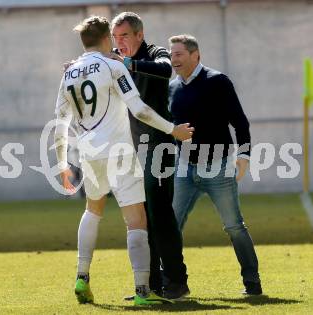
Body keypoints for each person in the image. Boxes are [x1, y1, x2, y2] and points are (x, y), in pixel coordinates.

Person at [54, 16, 193, 306]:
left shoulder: (70, 73)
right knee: (137, 220)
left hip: (90, 154)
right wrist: (174, 129)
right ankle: (144, 291)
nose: (118, 42)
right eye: (114, 36)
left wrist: (62, 163)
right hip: (121, 152)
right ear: (106, 39)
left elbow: (60, 123)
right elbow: (140, 110)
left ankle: (82, 276)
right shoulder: (113, 66)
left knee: (93, 211)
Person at [168, 34, 263, 295]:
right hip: (184, 169)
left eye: (178, 54)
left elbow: (240, 123)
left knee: (234, 226)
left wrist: (243, 156)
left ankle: (252, 282)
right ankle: (174, 283)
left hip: (219, 167)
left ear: (195, 55)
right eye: (171, 54)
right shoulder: (172, 88)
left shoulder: (218, 81)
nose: (173, 58)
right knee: (170, 227)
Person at [109, 12, 190, 299]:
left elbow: (165, 70)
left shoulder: (156, 53)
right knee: (142, 217)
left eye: (125, 36)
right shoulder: (114, 59)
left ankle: (177, 282)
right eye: (115, 37)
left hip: (160, 146)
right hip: (133, 148)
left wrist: (128, 63)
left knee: (160, 213)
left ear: (139, 35)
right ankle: (152, 284)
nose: (119, 43)